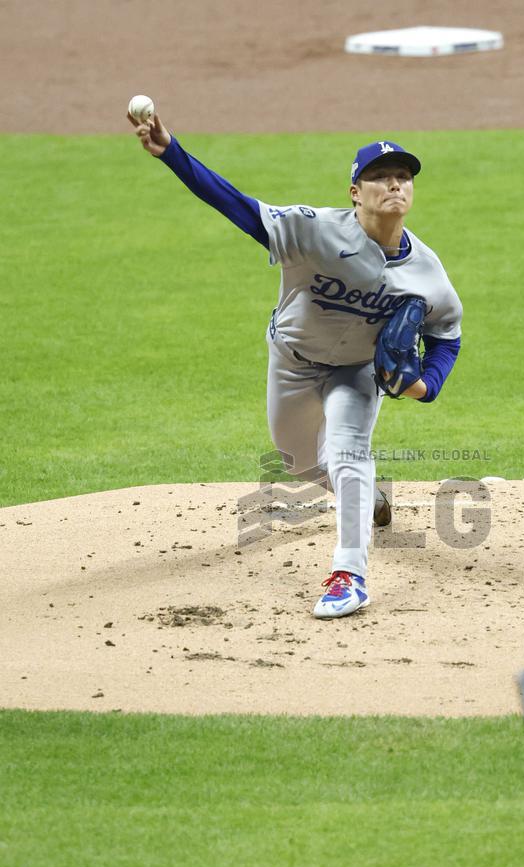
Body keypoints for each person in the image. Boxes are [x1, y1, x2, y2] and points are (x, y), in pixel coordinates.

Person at [127, 111, 462, 619]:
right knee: (301, 463)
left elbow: (447, 336)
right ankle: (370, 497)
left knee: (349, 450)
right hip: (292, 362)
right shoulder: (312, 230)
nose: (394, 183)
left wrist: (425, 387)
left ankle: (350, 574)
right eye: (379, 176)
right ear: (355, 191)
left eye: (403, 176)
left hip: (357, 372)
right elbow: (233, 203)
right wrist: (171, 152)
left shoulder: (428, 273)